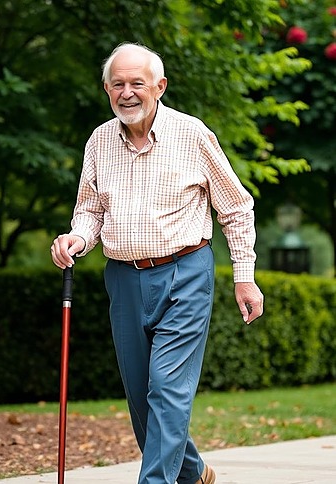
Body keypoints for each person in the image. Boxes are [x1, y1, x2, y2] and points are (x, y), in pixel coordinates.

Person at [50, 42, 264, 484]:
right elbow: (91, 210)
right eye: (118, 84)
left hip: (186, 273)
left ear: (159, 87)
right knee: (142, 401)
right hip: (124, 279)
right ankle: (192, 472)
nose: (127, 93)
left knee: (167, 389)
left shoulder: (193, 135)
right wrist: (77, 238)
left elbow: (236, 207)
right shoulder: (99, 141)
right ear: (107, 89)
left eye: (137, 83)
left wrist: (245, 277)